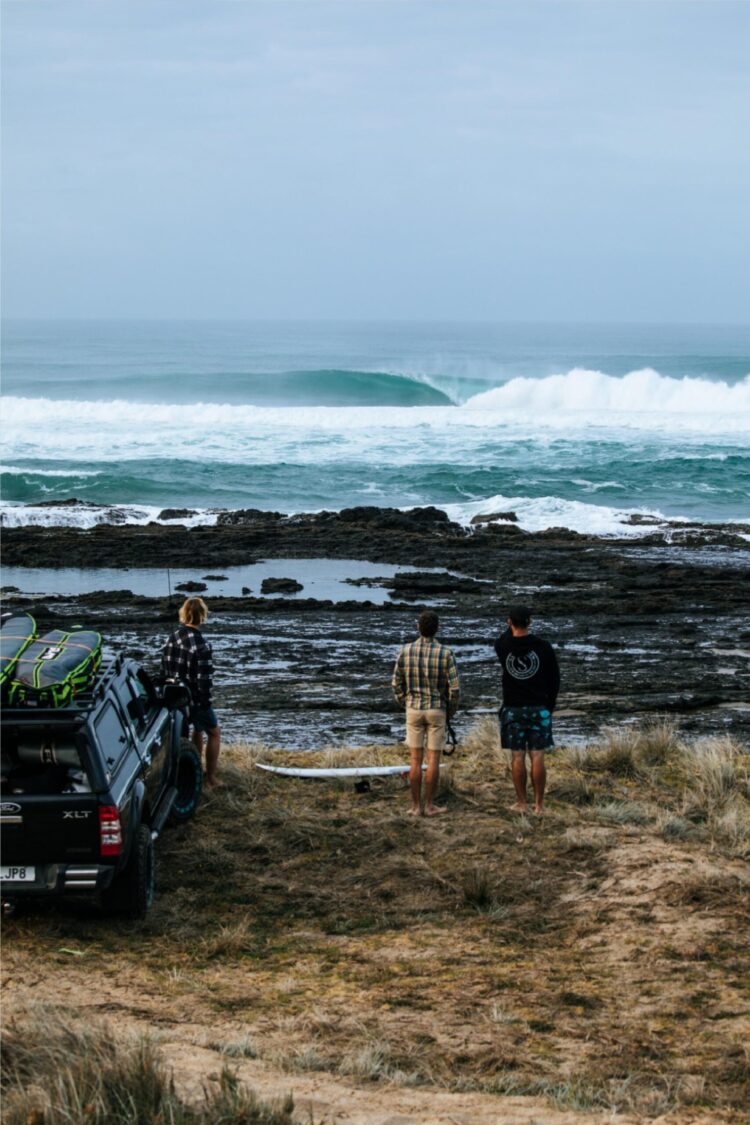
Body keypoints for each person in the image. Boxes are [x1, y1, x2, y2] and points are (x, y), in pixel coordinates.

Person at [392, 610, 460, 817]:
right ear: (437, 628)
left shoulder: (405, 651)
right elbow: (454, 689)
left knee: (414, 760)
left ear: (418, 627)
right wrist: (450, 711)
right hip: (436, 708)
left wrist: (405, 702)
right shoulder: (445, 653)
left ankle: (415, 806)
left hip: (414, 709)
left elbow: (396, 683)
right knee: (433, 760)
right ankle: (429, 805)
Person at [494, 604, 559, 816]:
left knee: (518, 757)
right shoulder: (543, 647)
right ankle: (539, 804)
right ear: (530, 622)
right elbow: (554, 680)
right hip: (539, 708)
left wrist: (510, 626)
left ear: (510, 622)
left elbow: (503, 637)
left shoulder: (504, 646)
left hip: (513, 709)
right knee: (538, 756)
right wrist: (549, 706)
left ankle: (521, 802)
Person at [162, 597, 222, 788]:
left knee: (195, 730)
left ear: (183, 613)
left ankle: (195, 767)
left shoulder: (171, 638)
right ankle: (211, 778)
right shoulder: (202, 646)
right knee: (214, 732)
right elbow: (204, 681)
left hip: (174, 696)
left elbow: (164, 670)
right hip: (194, 699)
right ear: (202, 616)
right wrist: (204, 703)